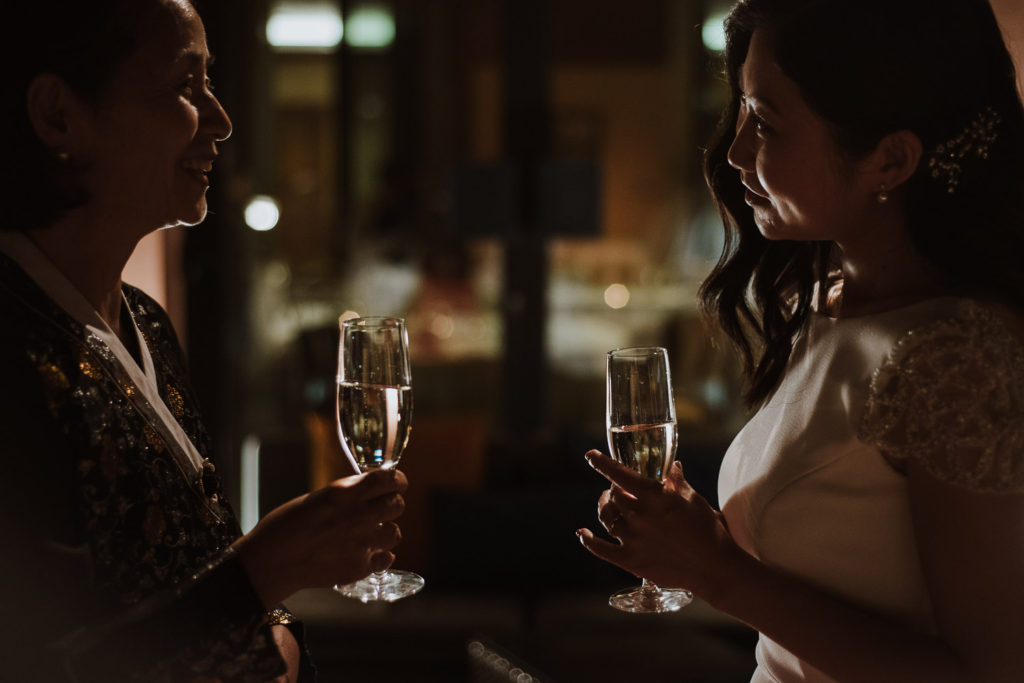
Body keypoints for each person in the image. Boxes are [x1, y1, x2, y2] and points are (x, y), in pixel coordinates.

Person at [578, 0, 1024, 681]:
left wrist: (716, 570)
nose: (734, 152)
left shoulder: (955, 358)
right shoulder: (821, 305)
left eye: (765, 122)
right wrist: (701, 542)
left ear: (891, 159)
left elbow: (987, 672)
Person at [0, 1, 407, 681]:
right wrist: (264, 571)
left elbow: (194, 575)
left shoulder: (147, 324)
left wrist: (273, 617)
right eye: (184, 87)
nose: (219, 120)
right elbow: (43, 658)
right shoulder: (14, 346)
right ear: (57, 115)